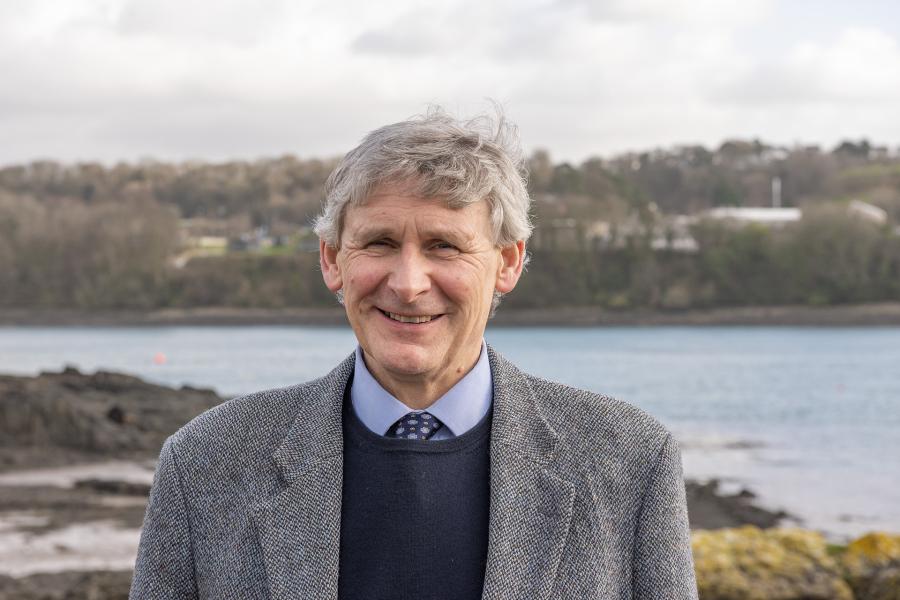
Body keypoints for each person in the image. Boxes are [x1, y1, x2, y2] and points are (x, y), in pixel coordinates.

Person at [130, 109, 698, 599]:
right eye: (379, 243)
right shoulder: (203, 463)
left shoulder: (632, 461)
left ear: (508, 262)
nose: (407, 283)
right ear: (332, 259)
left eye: (443, 246)